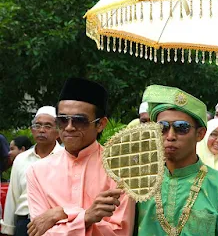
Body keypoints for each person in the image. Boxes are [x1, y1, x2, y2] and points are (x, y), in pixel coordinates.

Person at [137, 85, 218, 235]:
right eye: (163, 127)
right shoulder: (139, 186)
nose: (170, 136)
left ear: (200, 134)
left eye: (181, 127)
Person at [26, 78, 135, 236]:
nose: (69, 127)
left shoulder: (121, 169)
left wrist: (61, 214)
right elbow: (41, 232)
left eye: (80, 121)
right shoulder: (37, 172)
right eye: (62, 120)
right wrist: (86, 217)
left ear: (101, 124)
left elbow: (119, 232)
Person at [1, 106, 62, 236]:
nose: (41, 130)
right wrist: (8, 229)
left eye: (47, 126)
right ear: (32, 130)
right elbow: (13, 195)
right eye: (37, 125)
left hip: (55, 224)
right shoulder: (21, 159)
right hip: (24, 223)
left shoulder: (66, 158)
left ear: (58, 132)